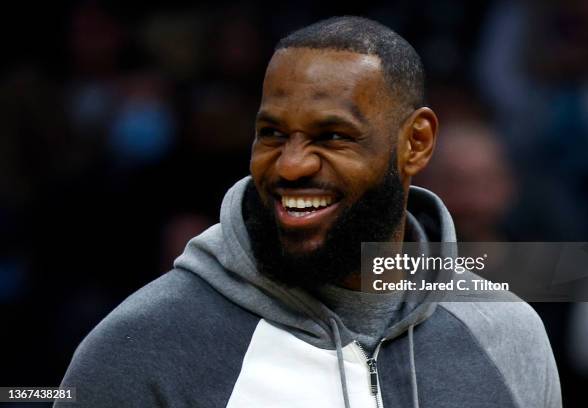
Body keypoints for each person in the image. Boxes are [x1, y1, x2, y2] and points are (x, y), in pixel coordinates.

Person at [56, 16, 561, 408]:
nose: (292, 165)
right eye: (273, 133)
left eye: (332, 136)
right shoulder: (142, 345)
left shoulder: (507, 331)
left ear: (416, 143)